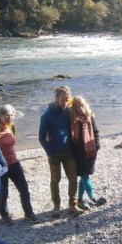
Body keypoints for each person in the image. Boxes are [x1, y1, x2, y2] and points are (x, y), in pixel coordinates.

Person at [39, 86, 83, 217]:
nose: (65, 102)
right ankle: (56, 206)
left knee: (73, 179)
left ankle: (72, 205)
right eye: (63, 99)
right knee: (55, 180)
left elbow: (81, 115)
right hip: (55, 153)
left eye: (67, 99)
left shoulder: (67, 111)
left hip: (68, 151)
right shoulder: (47, 115)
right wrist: (49, 151)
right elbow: (41, 137)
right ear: (56, 98)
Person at [0, 104, 39, 224]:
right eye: (6, 115)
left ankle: (28, 213)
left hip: (14, 163)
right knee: (4, 192)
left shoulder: (11, 126)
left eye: (11, 115)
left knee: (24, 188)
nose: (9, 117)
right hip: (1, 166)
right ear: (0, 115)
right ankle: (4, 214)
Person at [70, 96, 106, 210]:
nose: (80, 108)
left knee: (84, 176)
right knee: (84, 177)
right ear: (74, 108)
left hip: (90, 151)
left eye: (82, 105)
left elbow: (96, 132)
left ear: (85, 105)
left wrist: (97, 145)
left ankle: (80, 200)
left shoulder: (90, 116)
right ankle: (93, 198)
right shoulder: (72, 119)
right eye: (77, 106)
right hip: (78, 154)